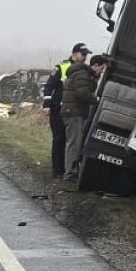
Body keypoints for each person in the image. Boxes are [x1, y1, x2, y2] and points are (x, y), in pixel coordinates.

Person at [43, 43, 92, 178]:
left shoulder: (84, 70)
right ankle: (57, 170)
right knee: (59, 139)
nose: (85, 57)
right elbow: (49, 86)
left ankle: (67, 168)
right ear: (74, 54)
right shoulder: (62, 67)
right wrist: (46, 104)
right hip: (57, 108)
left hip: (72, 110)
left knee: (70, 140)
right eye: (83, 54)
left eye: (86, 55)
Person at [61, 51, 107, 182]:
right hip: (74, 112)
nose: (101, 72)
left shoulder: (83, 74)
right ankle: (70, 173)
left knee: (73, 142)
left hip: (72, 111)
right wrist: (96, 99)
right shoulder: (83, 74)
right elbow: (82, 93)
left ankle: (71, 171)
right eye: (102, 69)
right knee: (73, 143)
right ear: (96, 65)